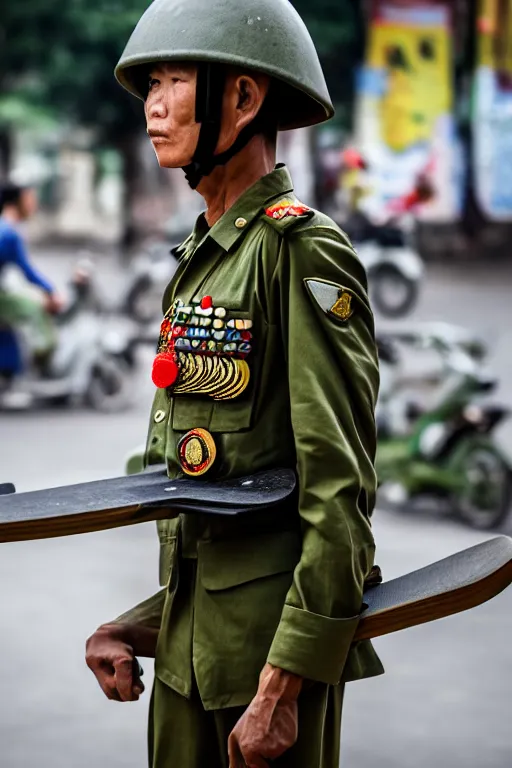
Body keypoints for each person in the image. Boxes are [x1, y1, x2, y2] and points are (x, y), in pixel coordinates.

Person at [85, 1, 383, 766]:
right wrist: (135, 626)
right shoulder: (202, 259)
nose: (152, 105)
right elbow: (212, 517)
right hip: (189, 666)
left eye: (175, 80)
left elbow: (337, 495)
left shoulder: (300, 251)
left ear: (243, 99)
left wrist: (280, 693)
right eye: (149, 83)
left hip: (263, 676)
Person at [0, 182, 62, 383]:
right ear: (14, 203)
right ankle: (43, 360)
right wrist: (51, 292)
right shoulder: (8, 233)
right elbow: (27, 271)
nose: (32, 205)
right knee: (35, 308)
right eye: (28, 200)